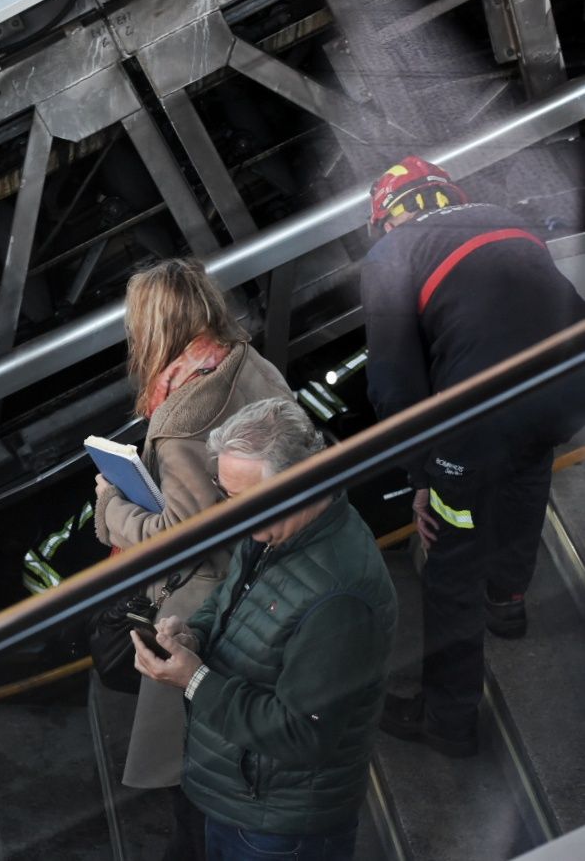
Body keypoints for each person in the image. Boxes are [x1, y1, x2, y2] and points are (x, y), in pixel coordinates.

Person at [360, 155, 585, 757]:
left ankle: (447, 720)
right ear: (447, 195)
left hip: (484, 416)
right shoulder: (505, 219)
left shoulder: (390, 255)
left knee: (451, 560)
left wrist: (422, 477)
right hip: (569, 387)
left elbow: (394, 386)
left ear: (386, 218)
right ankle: (508, 602)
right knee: (527, 468)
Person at [134, 398, 397, 861]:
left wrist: (193, 679)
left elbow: (303, 735)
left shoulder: (342, 599)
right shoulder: (276, 529)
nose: (239, 516)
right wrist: (191, 633)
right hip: (238, 800)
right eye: (229, 498)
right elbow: (229, 598)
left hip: (276, 831)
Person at [91, 257, 292, 860]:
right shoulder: (244, 361)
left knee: (191, 763)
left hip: (211, 604)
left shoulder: (181, 420)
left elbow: (181, 537)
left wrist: (110, 505)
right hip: (272, 581)